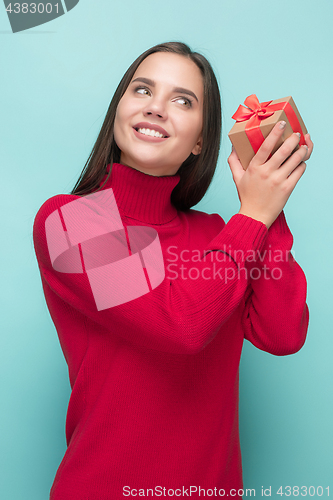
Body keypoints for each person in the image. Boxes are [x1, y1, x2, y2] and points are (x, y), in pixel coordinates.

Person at [33, 42, 313, 499]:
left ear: (202, 139)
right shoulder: (72, 221)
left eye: (183, 100)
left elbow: (282, 335)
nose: (157, 108)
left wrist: (269, 202)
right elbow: (179, 324)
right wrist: (253, 218)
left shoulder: (220, 235)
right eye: (142, 90)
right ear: (120, 108)